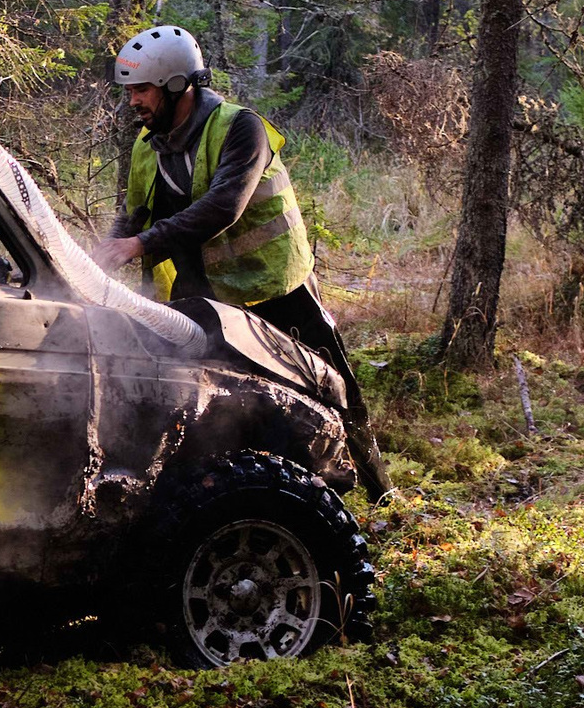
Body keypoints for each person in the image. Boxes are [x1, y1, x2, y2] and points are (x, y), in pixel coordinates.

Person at [91, 26, 392, 503]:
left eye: (141, 89)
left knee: (334, 388)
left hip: (277, 288)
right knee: (218, 402)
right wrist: (97, 261)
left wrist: (138, 245)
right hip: (207, 296)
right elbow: (132, 216)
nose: (132, 102)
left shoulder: (239, 127)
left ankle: (380, 494)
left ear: (177, 85)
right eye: (129, 90)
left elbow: (223, 205)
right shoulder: (148, 146)